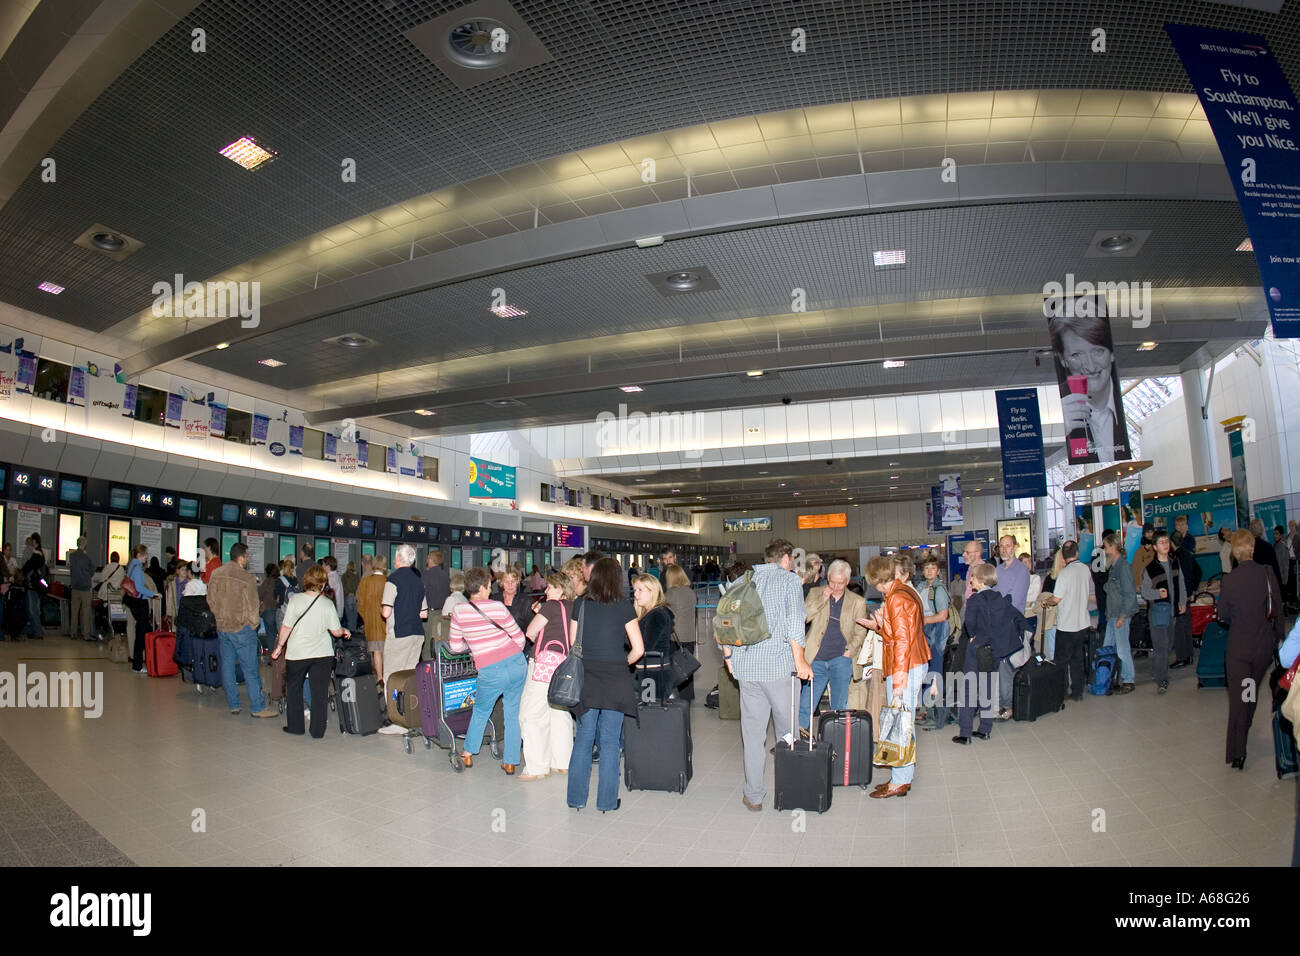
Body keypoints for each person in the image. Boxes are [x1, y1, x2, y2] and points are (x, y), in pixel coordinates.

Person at [720, 539, 811, 811]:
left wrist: (728, 659)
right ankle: (793, 790)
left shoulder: (742, 581)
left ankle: (754, 795)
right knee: (788, 734)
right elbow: (795, 621)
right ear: (786, 558)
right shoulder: (790, 581)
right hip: (779, 669)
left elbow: (724, 620)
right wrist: (801, 660)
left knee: (753, 735)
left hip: (747, 671)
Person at [565, 558, 644, 811]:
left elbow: (572, 644)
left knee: (584, 738)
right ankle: (607, 802)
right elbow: (638, 649)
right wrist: (623, 662)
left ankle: (576, 799)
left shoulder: (581, 604)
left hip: (587, 678)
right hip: (615, 680)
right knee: (610, 741)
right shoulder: (623, 606)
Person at [858, 555, 929, 797]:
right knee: (903, 722)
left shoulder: (896, 598)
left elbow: (901, 643)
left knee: (901, 724)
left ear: (876, 579)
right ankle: (901, 776)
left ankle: (900, 781)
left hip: (906, 666)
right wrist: (878, 626)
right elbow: (899, 634)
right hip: (912, 663)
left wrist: (899, 681)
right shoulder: (902, 592)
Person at [449, 566, 528, 774]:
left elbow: (456, 647)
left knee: (482, 710)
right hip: (517, 663)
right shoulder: (498, 607)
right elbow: (519, 638)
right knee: (512, 713)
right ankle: (511, 761)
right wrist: (510, 655)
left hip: (489, 669)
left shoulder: (459, 611)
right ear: (483, 587)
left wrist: (476, 647)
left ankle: (468, 753)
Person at [1218, 529, 1283, 770]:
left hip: (1239, 650)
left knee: (1239, 700)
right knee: (1250, 695)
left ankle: (1237, 752)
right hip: (1261, 648)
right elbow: (1278, 610)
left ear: (1234, 552)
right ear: (1252, 548)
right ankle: (1242, 738)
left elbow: (1223, 616)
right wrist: (1279, 640)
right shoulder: (1266, 574)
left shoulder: (1230, 580)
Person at [272, 564, 350, 739]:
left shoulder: (295, 600)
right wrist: (345, 630)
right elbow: (336, 631)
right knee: (319, 693)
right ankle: (317, 730)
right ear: (323, 583)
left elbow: (286, 626)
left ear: (306, 580)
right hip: (322, 654)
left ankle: (296, 726)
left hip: (297, 653)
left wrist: (278, 647)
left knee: (294, 690)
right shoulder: (327, 603)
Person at [953, 563, 1028, 744]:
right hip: (993, 651)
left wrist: (974, 638)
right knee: (988, 689)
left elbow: (970, 624)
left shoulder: (974, 600)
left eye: (972, 577)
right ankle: (985, 729)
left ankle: (965, 733)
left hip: (976, 650)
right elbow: (1017, 618)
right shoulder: (1000, 598)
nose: (970, 580)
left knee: (969, 690)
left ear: (979, 579)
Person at [207, 543, 277, 718]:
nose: (248, 559)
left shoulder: (216, 574)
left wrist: (220, 617)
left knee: (228, 667)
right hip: (242, 628)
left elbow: (211, 600)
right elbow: (253, 606)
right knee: (251, 669)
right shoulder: (247, 578)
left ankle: (234, 705)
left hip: (223, 627)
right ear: (241, 557)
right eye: (247, 556)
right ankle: (257, 707)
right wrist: (252, 625)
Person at [1050, 309, 1129, 464]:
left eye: (1098, 351)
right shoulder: (1060, 412)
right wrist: (1060, 430)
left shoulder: (1125, 409)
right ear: (1063, 360)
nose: (1091, 366)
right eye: (1076, 355)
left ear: (1111, 354)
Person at [519, 572, 576, 780]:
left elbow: (531, 632)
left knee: (531, 713)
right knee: (559, 713)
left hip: (543, 665)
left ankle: (536, 767)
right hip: (564, 665)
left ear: (560, 589)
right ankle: (562, 762)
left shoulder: (551, 606)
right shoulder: (574, 607)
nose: (546, 590)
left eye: (550, 587)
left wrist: (539, 615)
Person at [801, 559, 868, 734]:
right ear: (827, 578)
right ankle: (799, 739)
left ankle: (837, 739)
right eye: (832, 582)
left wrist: (849, 651)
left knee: (839, 705)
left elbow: (860, 632)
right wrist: (822, 600)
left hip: (841, 659)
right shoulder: (815, 593)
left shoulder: (857, 602)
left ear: (847, 581)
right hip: (816, 659)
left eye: (840, 583)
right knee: (806, 704)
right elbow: (805, 617)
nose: (836, 587)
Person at [377, 544, 428, 731]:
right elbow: (423, 614)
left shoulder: (393, 580)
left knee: (392, 676)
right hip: (417, 634)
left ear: (397, 559)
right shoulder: (418, 581)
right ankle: (409, 716)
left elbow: (385, 612)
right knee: (408, 676)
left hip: (399, 634)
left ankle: (396, 719)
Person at [1041, 540, 1094, 701]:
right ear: (1077, 553)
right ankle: (1077, 692)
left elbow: (1056, 599)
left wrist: (1046, 601)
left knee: (1061, 661)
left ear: (1063, 556)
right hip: (1083, 623)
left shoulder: (1064, 573)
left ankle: (1061, 692)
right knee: (1077, 658)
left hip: (1066, 625)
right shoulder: (1085, 569)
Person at [1140, 531, 1186, 696]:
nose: (1165, 545)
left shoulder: (1175, 563)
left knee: (1167, 646)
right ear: (1154, 547)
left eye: (1166, 541)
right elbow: (1145, 591)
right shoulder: (1150, 569)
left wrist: (1182, 602)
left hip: (1172, 612)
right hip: (1158, 614)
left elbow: (1181, 583)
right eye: (1161, 542)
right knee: (1161, 647)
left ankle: (1157, 670)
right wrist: (1157, 594)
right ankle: (1162, 680)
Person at [1101, 533, 1137, 694]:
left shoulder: (1123, 567)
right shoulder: (1114, 567)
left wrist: (1123, 616)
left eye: (1106, 546)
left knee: (1122, 648)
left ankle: (1128, 680)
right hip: (1112, 614)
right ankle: (1109, 678)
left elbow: (1129, 593)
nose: (1104, 550)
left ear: (1113, 547)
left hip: (1120, 615)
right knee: (1108, 647)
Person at [631, 573, 675, 701]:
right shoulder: (650, 613)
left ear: (652, 592)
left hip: (653, 675)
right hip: (649, 673)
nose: (635, 594)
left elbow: (645, 647)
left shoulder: (656, 615)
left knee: (651, 715)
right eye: (635, 590)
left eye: (640, 590)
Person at [662, 564, 697, 701]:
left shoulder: (670, 594)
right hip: (690, 636)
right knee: (687, 669)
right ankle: (688, 696)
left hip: (675, 638)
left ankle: (677, 698)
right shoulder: (691, 592)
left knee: (676, 670)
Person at [122, 544, 157, 673]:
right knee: (142, 632)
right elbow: (139, 588)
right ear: (139, 555)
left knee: (141, 631)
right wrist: (154, 594)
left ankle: (139, 662)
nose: (147, 557)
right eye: (145, 554)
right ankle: (138, 664)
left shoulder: (131, 565)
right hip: (139, 602)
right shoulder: (137, 568)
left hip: (131, 600)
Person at [1171, 532, 1202, 670]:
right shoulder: (1188, 554)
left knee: (1180, 627)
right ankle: (1189, 656)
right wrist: (1193, 588)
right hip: (1188, 595)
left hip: (1179, 597)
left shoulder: (1175, 558)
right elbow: (1199, 572)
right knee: (1187, 626)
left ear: (1172, 543)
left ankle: (1182, 657)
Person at [356, 554, 388, 678]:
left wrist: (366, 617)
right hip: (384, 621)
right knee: (384, 649)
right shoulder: (387, 581)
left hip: (370, 621)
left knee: (375, 650)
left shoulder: (365, 581)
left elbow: (360, 603)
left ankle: (379, 678)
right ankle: (385, 676)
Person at [66, 537, 94, 642]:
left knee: (74, 611)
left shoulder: (72, 556)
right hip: (85, 587)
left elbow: (71, 569)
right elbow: (92, 570)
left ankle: (73, 633)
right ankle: (85, 634)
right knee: (86, 612)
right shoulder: (87, 558)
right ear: (85, 545)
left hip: (75, 586)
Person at [19, 535, 46, 639]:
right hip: (38, 585)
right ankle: (36, 630)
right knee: (35, 608)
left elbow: (28, 566)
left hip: (32, 585)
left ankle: (37, 632)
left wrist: (22, 571)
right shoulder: (41, 552)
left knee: (32, 608)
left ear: (34, 541)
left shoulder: (36, 553)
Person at [423, 550, 451, 651]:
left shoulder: (427, 575)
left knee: (427, 642)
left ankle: (428, 663)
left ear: (431, 560)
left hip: (430, 613)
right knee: (438, 639)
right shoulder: (445, 575)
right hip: (442, 613)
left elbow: (422, 593)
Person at [257, 564, 280, 655]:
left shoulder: (267, 581)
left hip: (268, 611)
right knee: (280, 635)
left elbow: (260, 594)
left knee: (271, 635)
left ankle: (272, 657)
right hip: (279, 611)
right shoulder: (280, 581)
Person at [341, 560, 360, 631]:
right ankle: (354, 629)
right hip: (355, 597)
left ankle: (349, 631)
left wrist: (347, 593)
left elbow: (343, 587)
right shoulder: (357, 575)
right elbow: (359, 586)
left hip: (348, 596)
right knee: (355, 615)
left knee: (349, 616)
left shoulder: (344, 576)